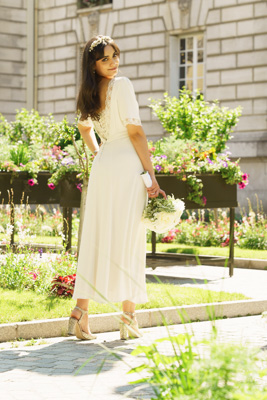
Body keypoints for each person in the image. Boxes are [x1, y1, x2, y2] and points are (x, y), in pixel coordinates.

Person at [68, 35, 166, 340]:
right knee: (129, 236)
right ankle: (127, 318)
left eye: (115, 56)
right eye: (105, 59)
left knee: (96, 235)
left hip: (105, 164)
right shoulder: (121, 85)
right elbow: (136, 133)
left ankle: (79, 313)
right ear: (93, 65)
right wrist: (151, 176)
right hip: (126, 165)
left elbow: (85, 127)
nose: (113, 63)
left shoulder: (88, 91)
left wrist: (99, 152)